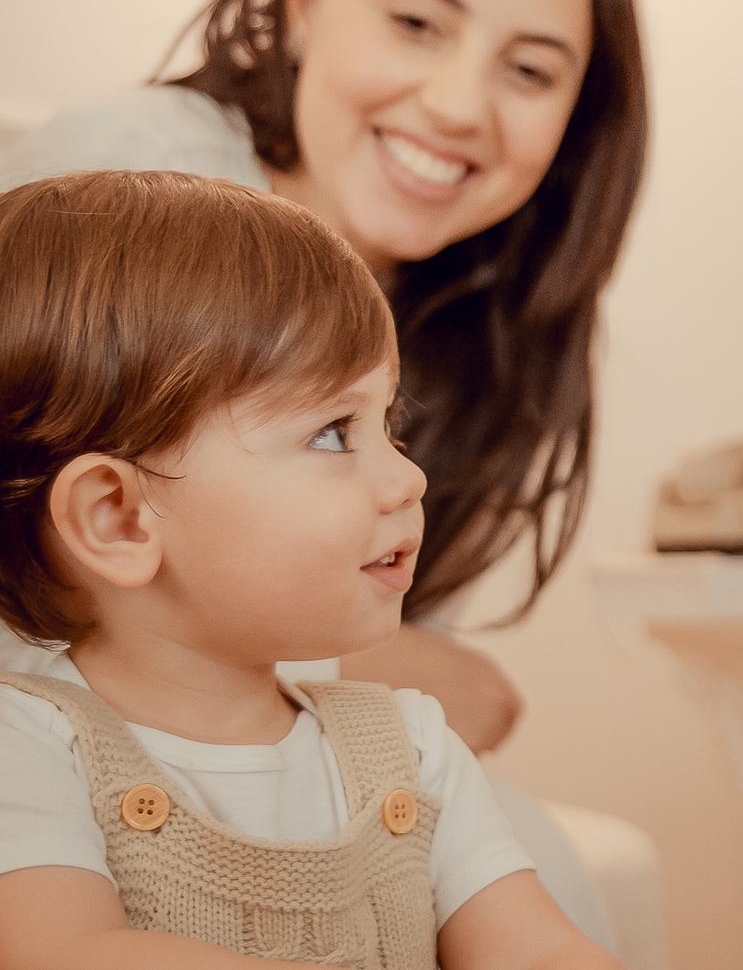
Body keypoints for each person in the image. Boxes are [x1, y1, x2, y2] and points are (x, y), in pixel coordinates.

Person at [0, 0, 647, 758]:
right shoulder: (124, 193)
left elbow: (393, 682)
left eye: (530, 71)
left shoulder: (489, 324)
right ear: (304, 2)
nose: (459, 105)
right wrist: (360, 670)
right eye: (418, 22)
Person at [0, 169, 624, 970]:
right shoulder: (27, 749)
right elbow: (66, 953)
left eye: (388, 424)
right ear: (118, 518)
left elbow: (536, 951)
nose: (409, 478)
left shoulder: (412, 752)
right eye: (333, 432)